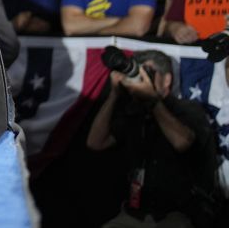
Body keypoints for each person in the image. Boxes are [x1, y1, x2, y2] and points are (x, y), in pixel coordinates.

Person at [85, 49, 222, 227]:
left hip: (178, 213)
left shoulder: (188, 110)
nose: (142, 79)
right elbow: (95, 142)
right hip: (135, 213)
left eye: (148, 73)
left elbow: (182, 142)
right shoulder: (134, 112)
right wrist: (114, 95)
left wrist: (153, 101)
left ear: (167, 80)